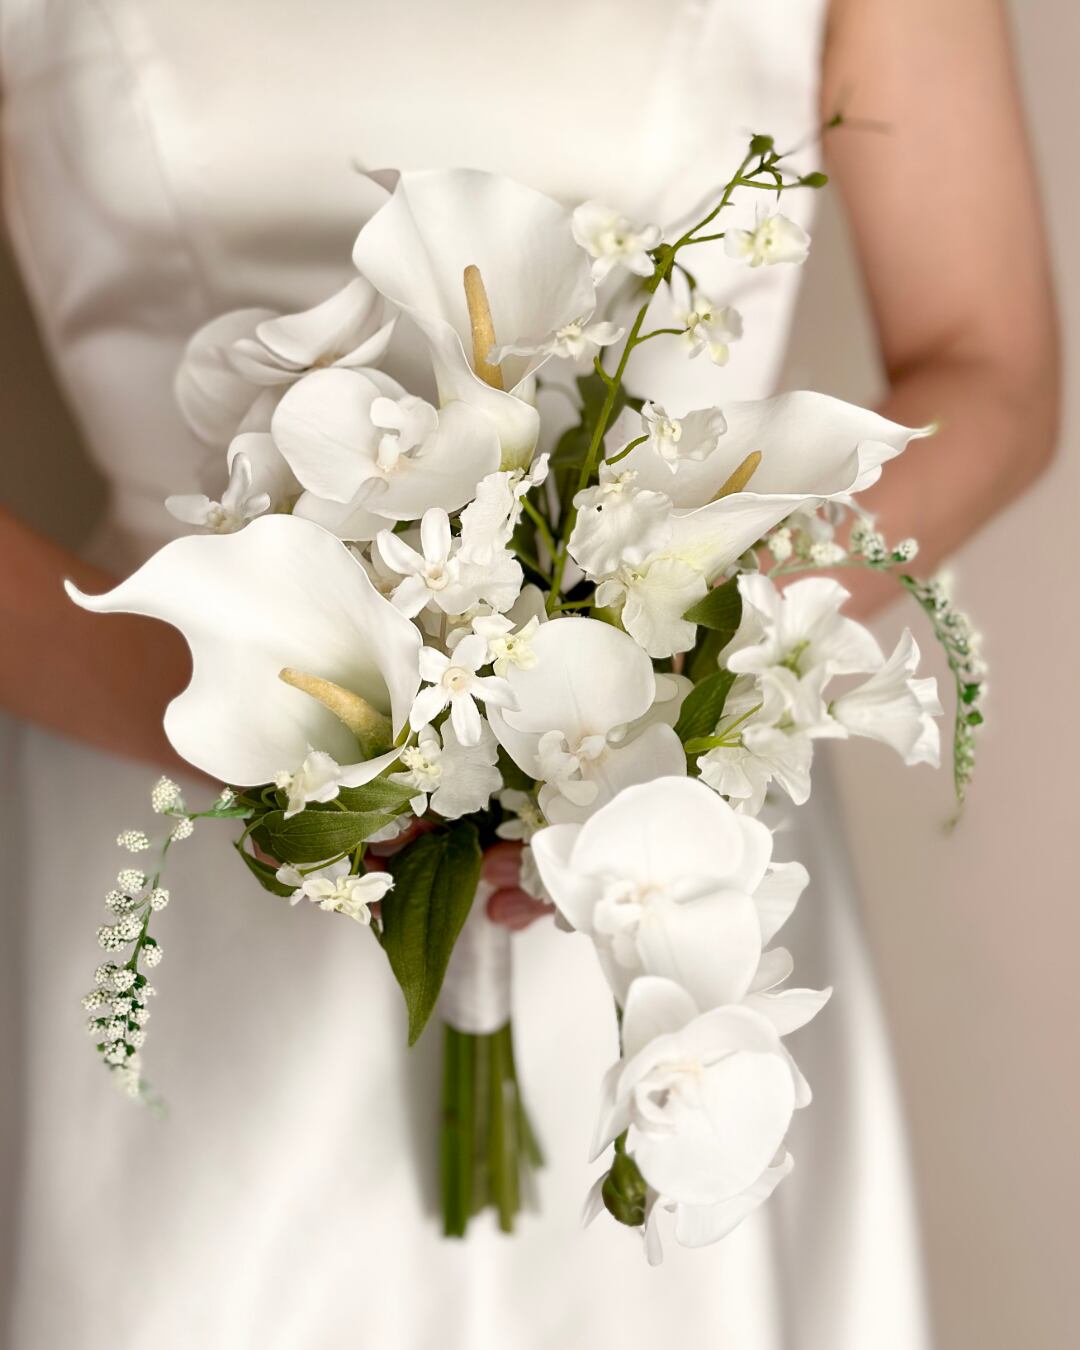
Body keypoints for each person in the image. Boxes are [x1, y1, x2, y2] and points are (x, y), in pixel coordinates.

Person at [0, 1, 1058, 1346]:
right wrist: (247, 715)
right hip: (168, 827)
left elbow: (993, 366)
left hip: (657, 852)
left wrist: (659, 663)